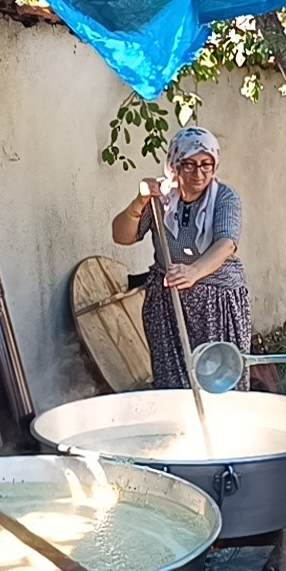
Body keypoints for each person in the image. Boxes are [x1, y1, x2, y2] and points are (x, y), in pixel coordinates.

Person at [111, 127, 251, 389]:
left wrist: (193, 272)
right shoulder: (160, 201)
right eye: (189, 165)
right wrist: (140, 202)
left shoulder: (224, 197)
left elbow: (227, 243)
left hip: (215, 303)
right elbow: (122, 236)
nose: (199, 173)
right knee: (173, 383)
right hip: (168, 302)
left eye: (206, 165)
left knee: (218, 381)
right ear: (175, 165)